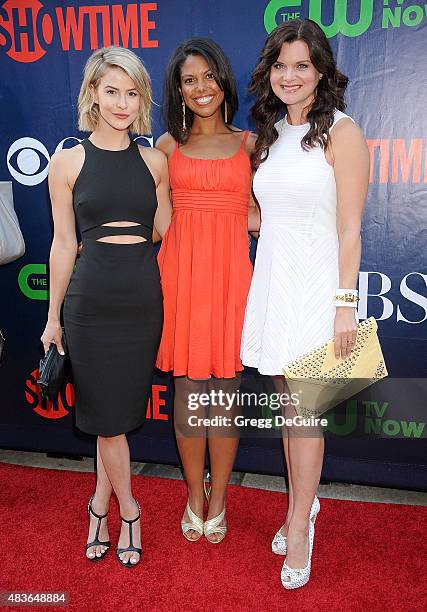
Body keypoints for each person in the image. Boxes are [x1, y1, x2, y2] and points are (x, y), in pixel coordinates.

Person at [241, 19, 369, 588]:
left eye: (302, 65)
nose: (289, 76)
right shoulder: (267, 133)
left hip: (319, 289)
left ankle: (298, 524)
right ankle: (304, 504)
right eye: (281, 65)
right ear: (269, 71)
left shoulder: (343, 133)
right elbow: (262, 218)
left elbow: (350, 231)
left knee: (304, 414)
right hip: (274, 282)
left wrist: (345, 305)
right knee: (286, 409)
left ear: (321, 71)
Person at [40, 46, 171, 568]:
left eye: (131, 91)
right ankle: (129, 511)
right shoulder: (66, 163)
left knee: (108, 417)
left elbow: (164, 229)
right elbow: (62, 244)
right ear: (91, 94)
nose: (121, 102)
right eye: (110, 90)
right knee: (109, 420)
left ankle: (98, 502)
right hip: (89, 303)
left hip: (140, 299)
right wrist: (53, 318)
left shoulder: (154, 161)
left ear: (142, 98)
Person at [155, 38, 256, 543]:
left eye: (209, 76)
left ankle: (219, 500)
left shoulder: (252, 144)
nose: (201, 88)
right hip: (181, 280)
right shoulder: (167, 147)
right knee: (189, 396)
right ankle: (194, 495)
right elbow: (155, 221)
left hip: (232, 282)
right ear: (178, 87)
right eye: (189, 79)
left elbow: (270, 210)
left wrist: (245, 218)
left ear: (224, 80)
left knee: (225, 398)